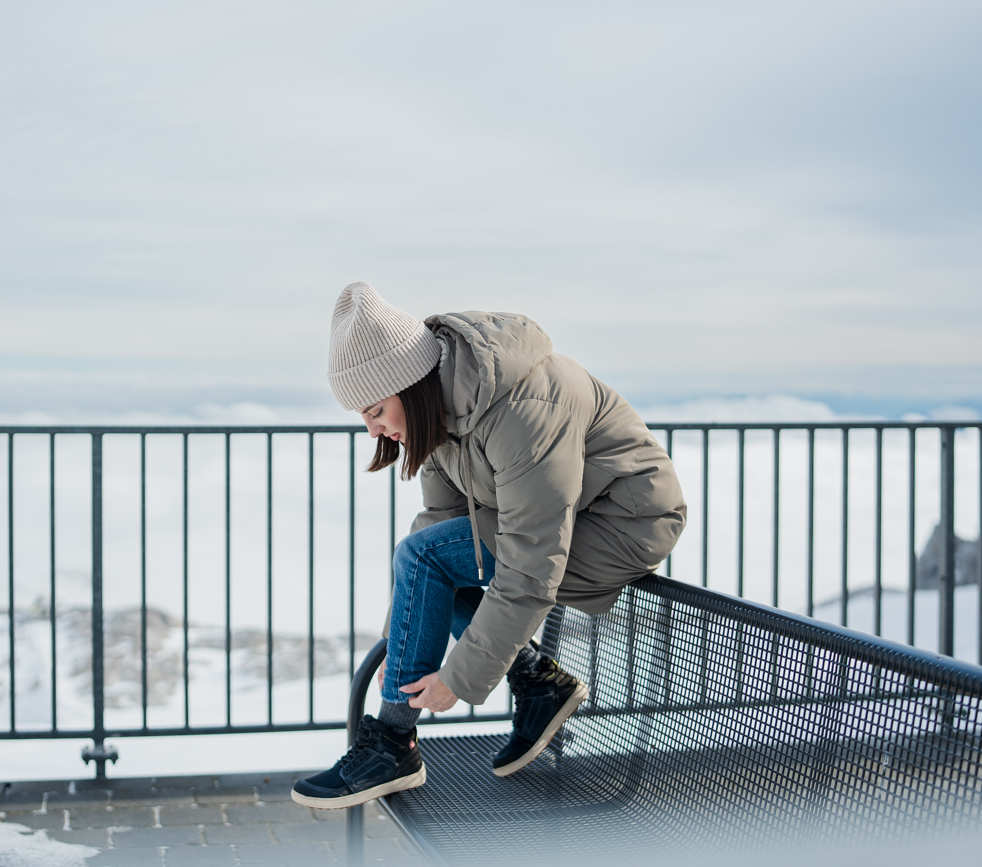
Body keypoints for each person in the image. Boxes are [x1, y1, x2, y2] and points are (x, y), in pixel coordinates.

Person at [291, 282, 688, 809]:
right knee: (430, 556)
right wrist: (401, 642)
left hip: (623, 525)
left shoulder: (523, 407)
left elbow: (529, 563)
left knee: (428, 558)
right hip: (569, 523)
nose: (373, 431)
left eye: (377, 411)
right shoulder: (441, 418)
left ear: (411, 387)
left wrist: (460, 678)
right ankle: (537, 681)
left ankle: (392, 743)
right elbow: (439, 527)